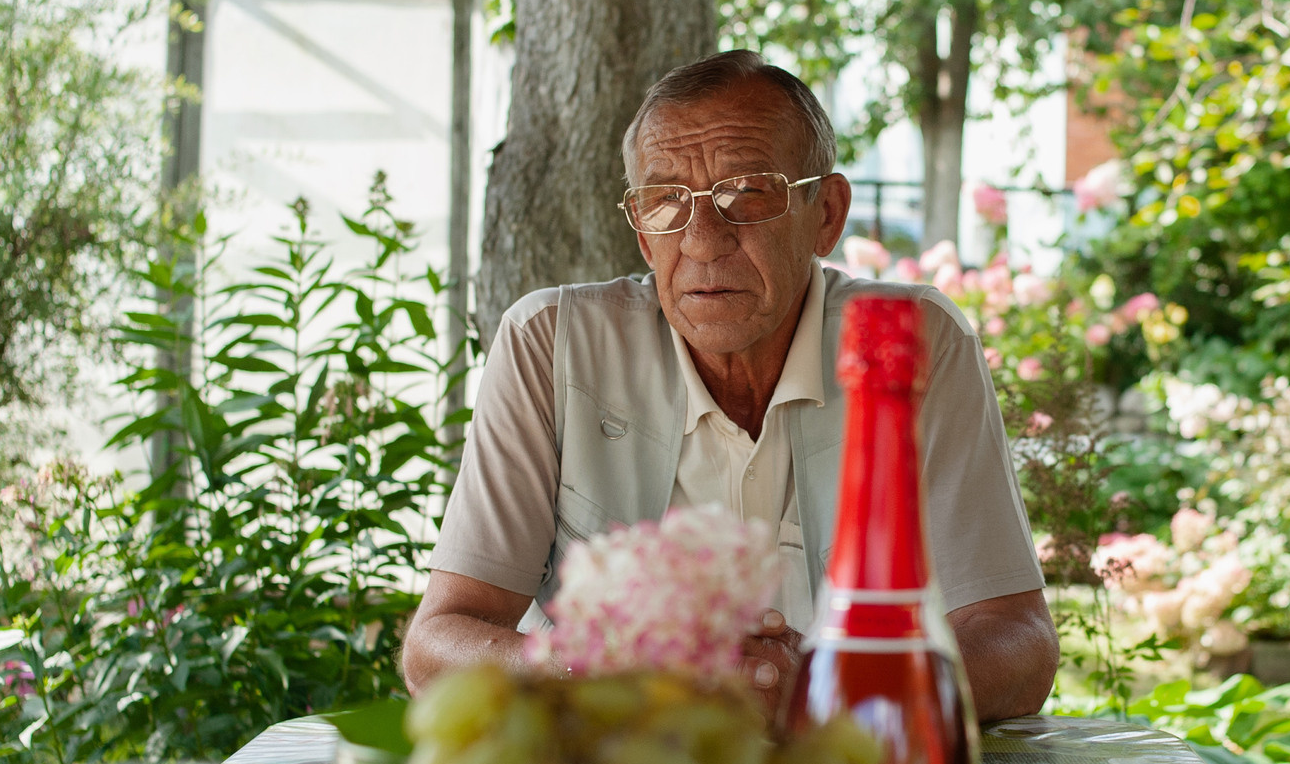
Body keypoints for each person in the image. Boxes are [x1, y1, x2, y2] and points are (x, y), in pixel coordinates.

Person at [404, 50, 1058, 721]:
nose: (703, 240)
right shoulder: (551, 343)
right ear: (642, 233)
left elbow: (1019, 646)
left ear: (826, 214)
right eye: (665, 201)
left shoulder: (903, 342)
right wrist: (599, 670)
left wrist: (830, 688)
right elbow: (436, 645)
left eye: (747, 193)